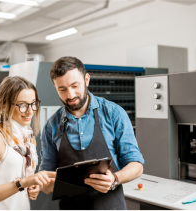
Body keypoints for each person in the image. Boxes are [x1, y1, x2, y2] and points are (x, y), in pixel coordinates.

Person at [40, 57, 145, 211]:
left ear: (86, 79)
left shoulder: (114, 113)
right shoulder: (51, 126)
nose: (70, 95)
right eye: (62, 89)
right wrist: (39, 182)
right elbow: (46, 186)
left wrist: (115, 179)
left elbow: (137, 165)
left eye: (75, 86)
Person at [0, 76, 56, 210]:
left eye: (33, 103)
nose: (30, 110)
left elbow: (19, 183)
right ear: (4, 105)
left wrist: (34, 183)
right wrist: (22, 183)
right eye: (22, 105)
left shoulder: (26, 138)